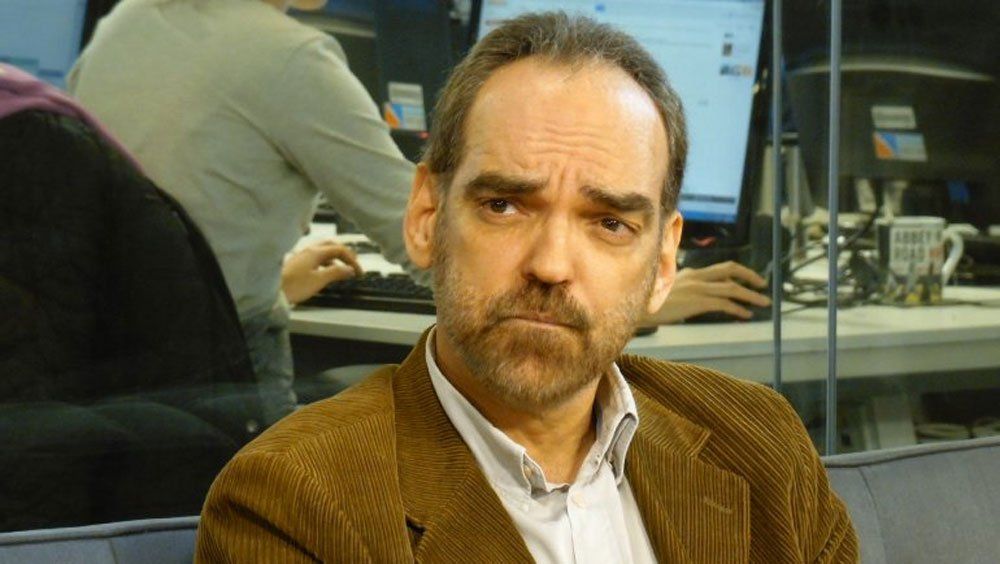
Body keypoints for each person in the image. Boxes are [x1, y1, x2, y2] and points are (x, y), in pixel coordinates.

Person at [196, 12, 857, 563]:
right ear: (426, 217)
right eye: (505, 206)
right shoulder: (293, 500)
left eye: (609, 223)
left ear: (663, 262)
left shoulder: (758, 442)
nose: (551, 264)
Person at [68, 0, 415, 424]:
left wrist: (266, 286)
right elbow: (424, 237)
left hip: (104, 375)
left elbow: (153, 240)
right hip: (220, 383)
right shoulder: (290, 57)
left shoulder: (126, 21)